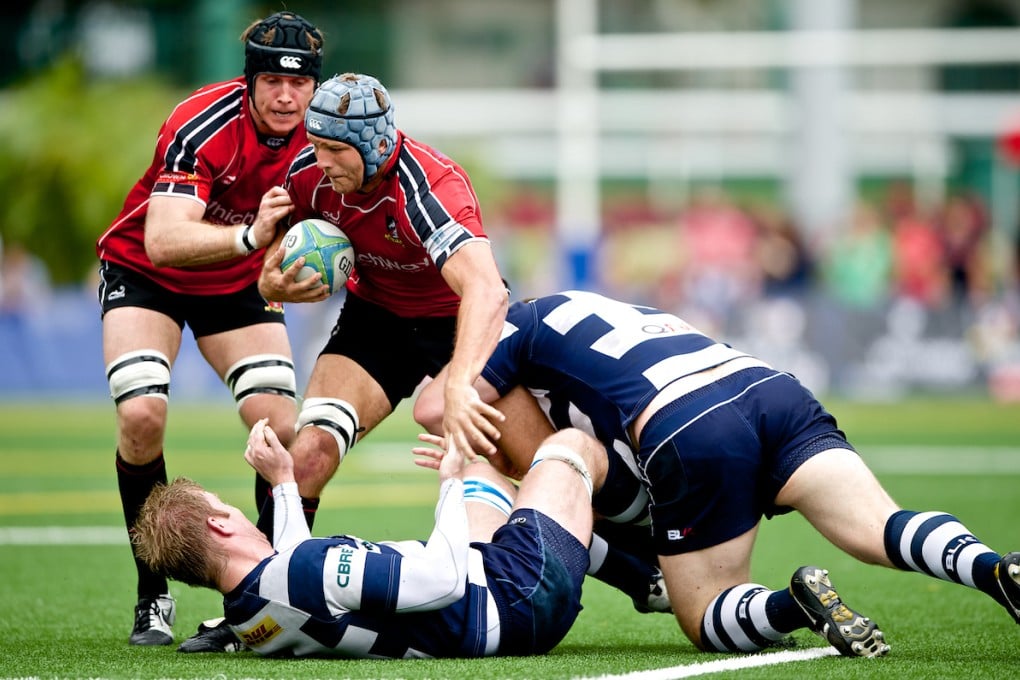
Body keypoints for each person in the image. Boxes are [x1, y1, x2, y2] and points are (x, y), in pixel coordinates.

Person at [415, 289, 1020, 658]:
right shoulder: (589, 309)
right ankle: (995, 568)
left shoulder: (507, 327)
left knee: (704, 615)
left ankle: (793, 606)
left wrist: (469, 421)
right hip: (768, 388)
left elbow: (433, 408)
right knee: (882, 526)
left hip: (688, 422)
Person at [95, 11, 323, 648]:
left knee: (283, 427)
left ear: (313, 88)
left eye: (299, 83)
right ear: (249, 81)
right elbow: (163, 240)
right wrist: (251, 235)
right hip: (148, 274)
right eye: (272, 80)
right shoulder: (203, 120)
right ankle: (152, 595)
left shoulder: (323, 139)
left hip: (239, 283)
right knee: (142, 416)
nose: (286, 95)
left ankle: (268, 591)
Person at [255, 72, 510, 531]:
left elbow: (488, 290)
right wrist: (271, 286)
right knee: (307, 457)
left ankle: (634, 568)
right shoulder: (309, 176)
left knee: (517, 465)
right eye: (315, 145)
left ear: (373, 146)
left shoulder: (430, 188)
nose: (322, 160)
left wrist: (457, 387)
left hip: (456, 321)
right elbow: (277, 255)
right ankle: (264, 595)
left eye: (335, 149)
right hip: (376, 318)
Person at [131, 418, 600, 659]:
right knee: (572, 447)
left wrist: (286, 482)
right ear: (219, 525)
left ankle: (627, 566)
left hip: (490, 599)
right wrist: (449, 484)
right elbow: (445, 581)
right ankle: (647, 564)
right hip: (520, 594)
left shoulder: (245, 616)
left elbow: (289, 566)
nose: (235, 510)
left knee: (486, 471)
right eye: (226, 506)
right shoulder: (308, 571)